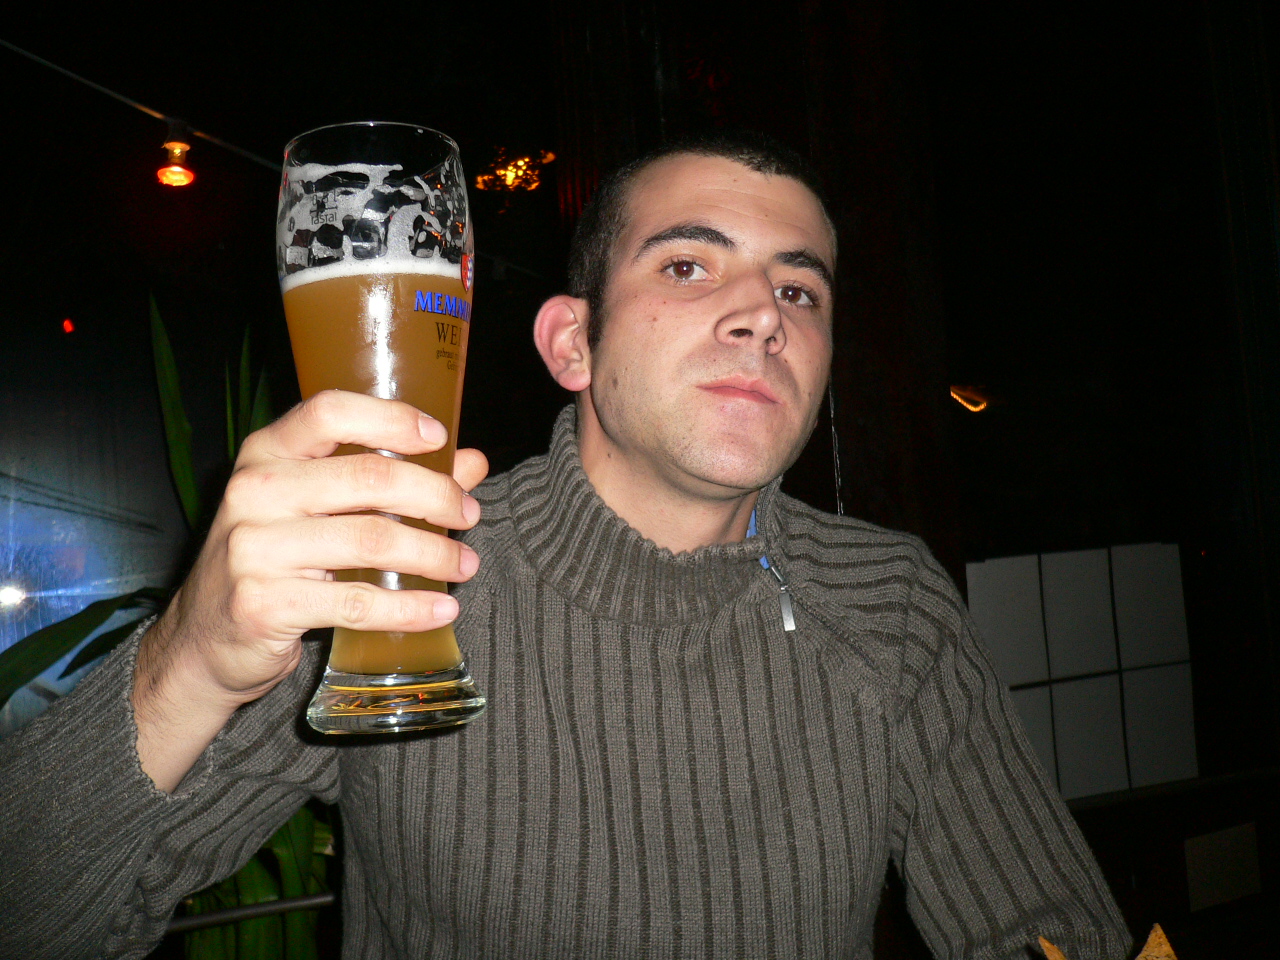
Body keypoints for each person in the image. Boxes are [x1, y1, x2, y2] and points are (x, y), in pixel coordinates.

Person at [0, 132, 1133, 959]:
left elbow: (1046, 932)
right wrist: (190, 656)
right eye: (688, 266)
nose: (763, 314)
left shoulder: (890, 603)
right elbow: (34, 914)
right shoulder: (399, 575)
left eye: (800, 288)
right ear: (570, 344)